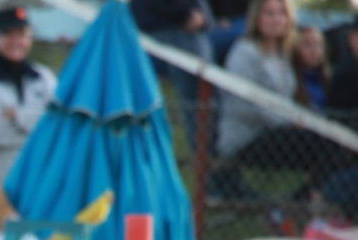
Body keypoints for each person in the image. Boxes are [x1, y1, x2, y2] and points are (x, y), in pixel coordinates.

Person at [212, 0, 352, 201]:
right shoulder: (245, 52)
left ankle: (302, 201)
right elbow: (244, 105)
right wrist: (291, 122)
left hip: (280, 131)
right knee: (325, 144)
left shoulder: (282, 55)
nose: (276, 20)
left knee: (337, 146)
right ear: (257, 18)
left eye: (281, 14)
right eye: (269, 14)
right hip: (249, 137)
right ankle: (302, 204)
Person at [0, 5, 57, 183]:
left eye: (21, 35)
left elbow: (52, 124)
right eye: (8, 34)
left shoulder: (44, 78)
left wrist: (19, 116)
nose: (16, 41)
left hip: (38, 168)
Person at [129, 0, 215, 148]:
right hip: (170, 29)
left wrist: (202, 16)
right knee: (195, 100)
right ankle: (204, 153)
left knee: (201, 98)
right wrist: (188, 13)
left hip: (181, 25)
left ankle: (205, 153)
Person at [292, 26, 329, 108]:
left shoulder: (328, 79)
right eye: (307, 44)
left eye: (318, 44)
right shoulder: (291, 79)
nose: (314, 50)